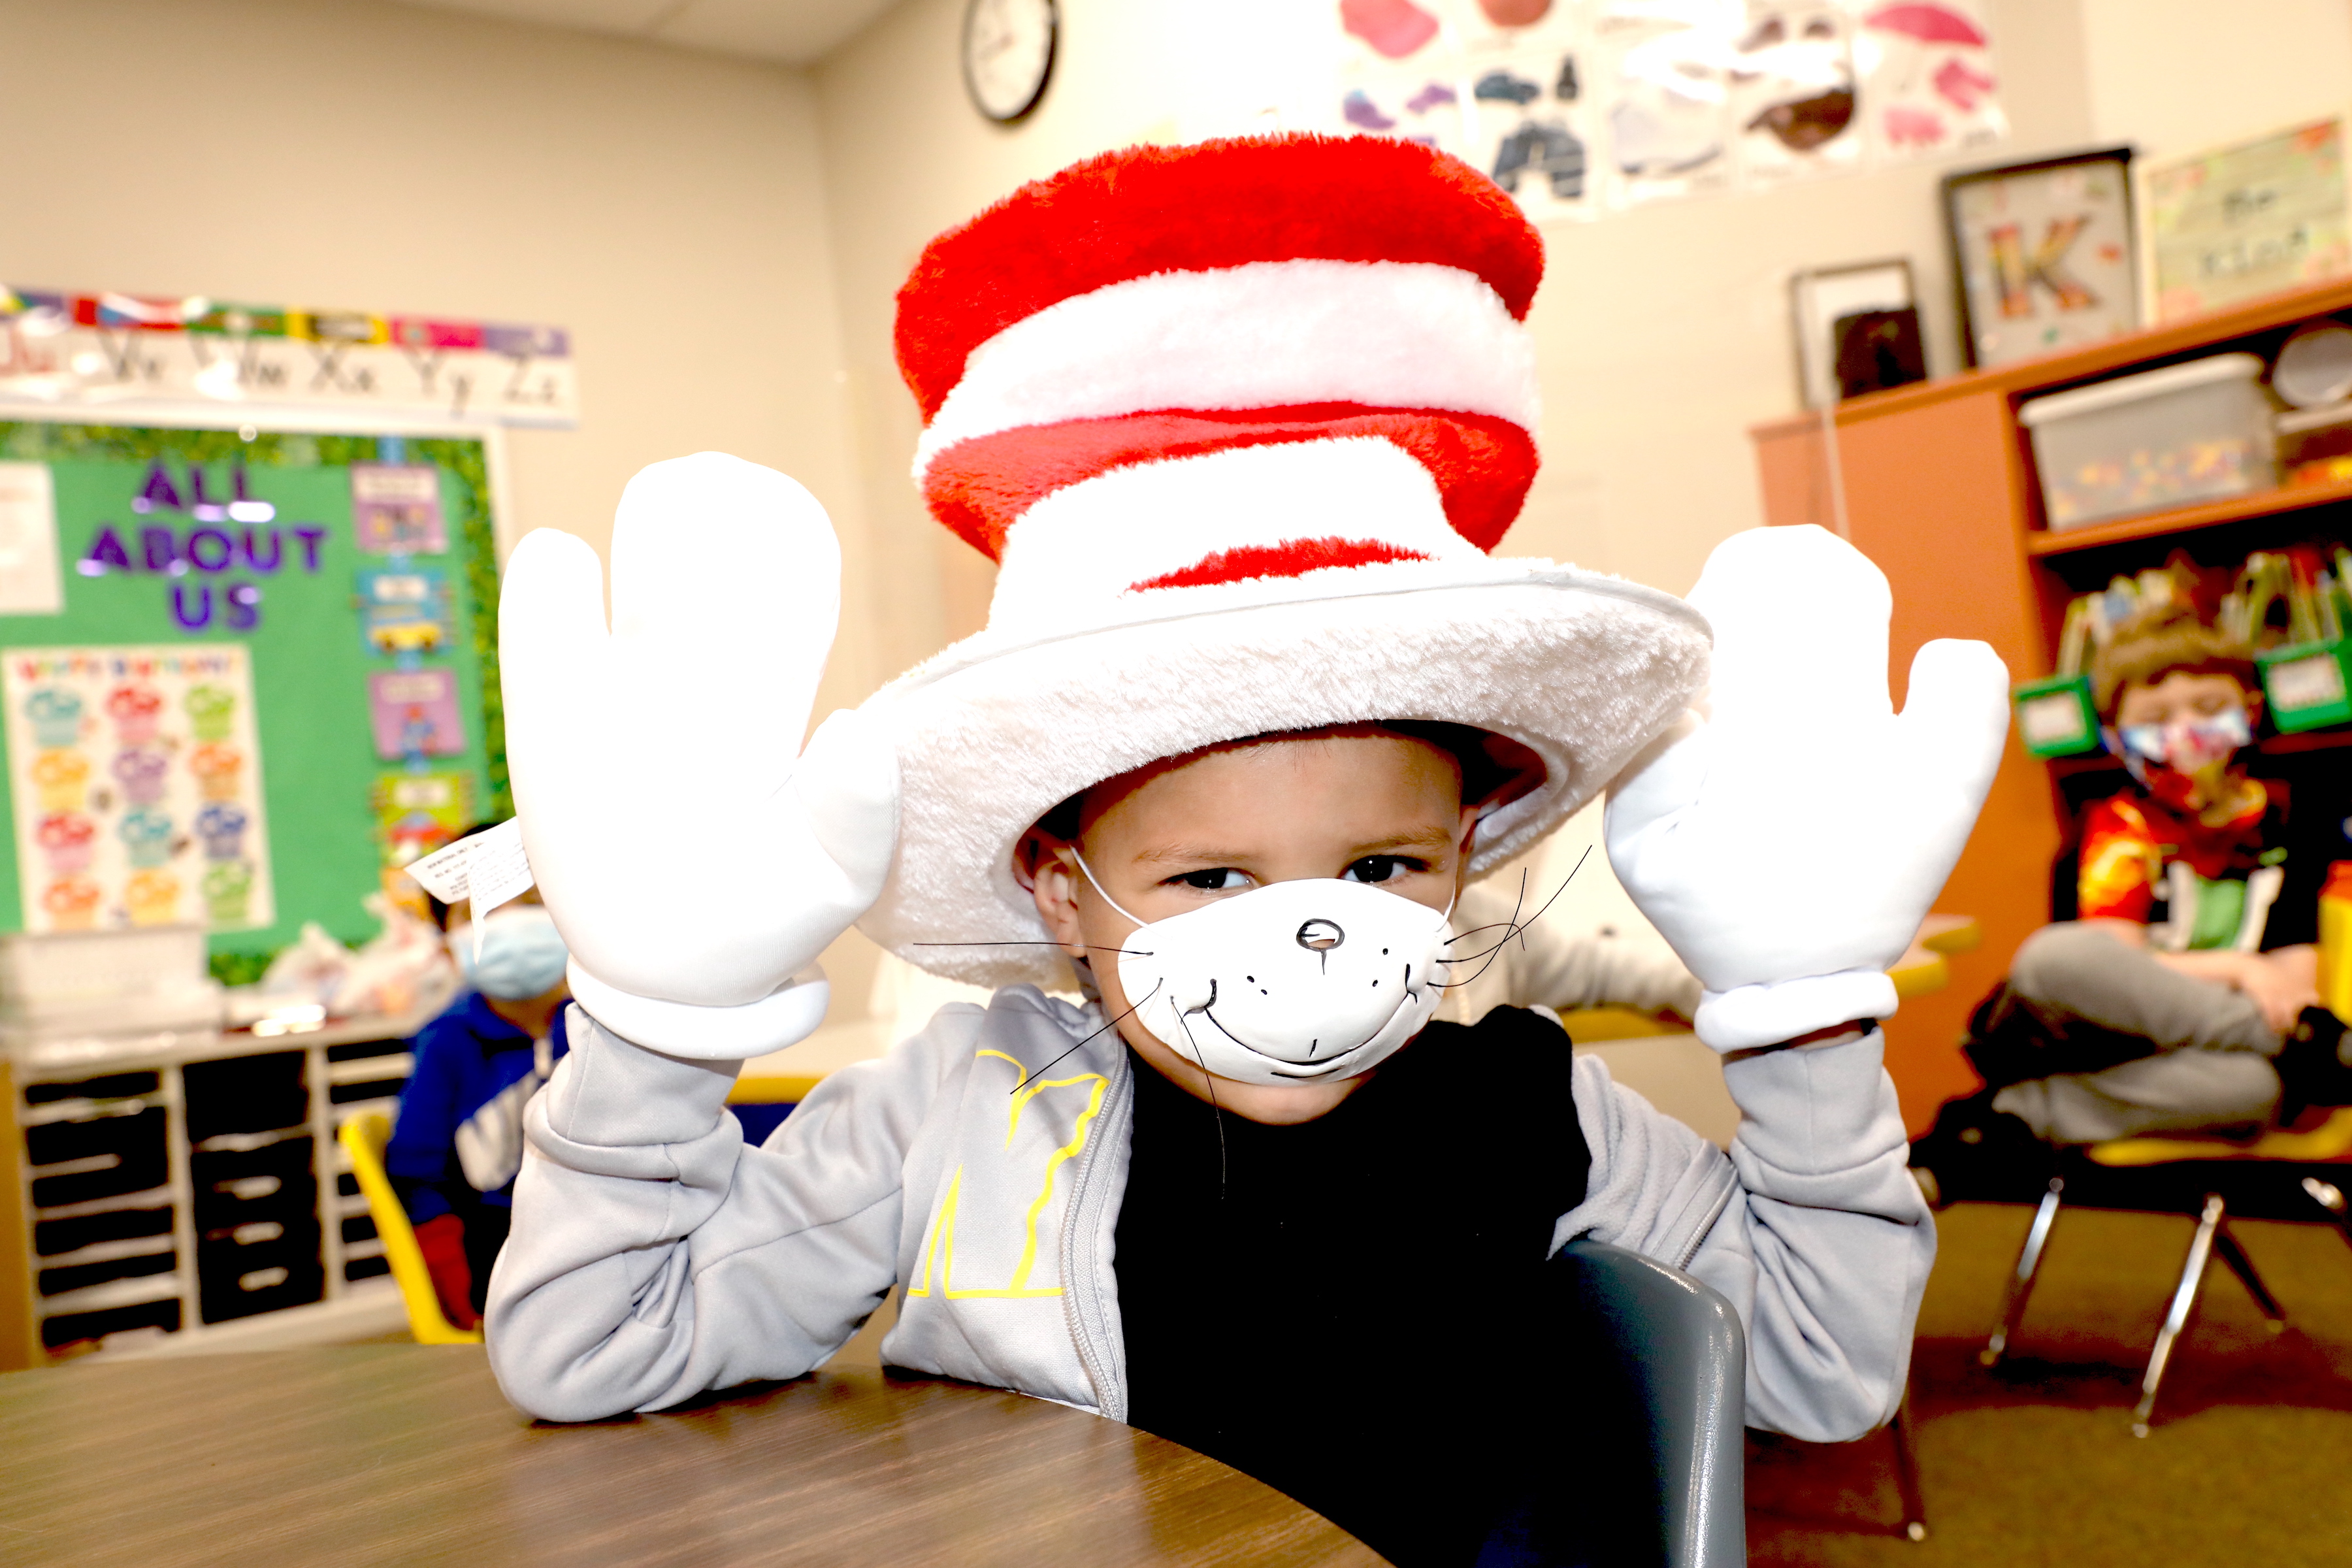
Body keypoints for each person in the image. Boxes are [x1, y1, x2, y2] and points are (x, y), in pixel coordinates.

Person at [483, 136, 2006, 1564]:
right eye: (1208, 877)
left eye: (1379, 868)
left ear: (1466, 849)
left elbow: (1822, 1372)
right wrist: (651, 1027)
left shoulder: (1536, 1106)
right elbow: (591, 1345)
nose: (1313, 935)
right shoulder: (953, 1116)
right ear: (1057, 888)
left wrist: (1806, 1018)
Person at [1914, 602, 2352, 1198]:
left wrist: (2276, 1002)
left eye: (2208, 708)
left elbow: (2292, 982)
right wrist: (2239, 967)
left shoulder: (2292, 827)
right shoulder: (2105, 832)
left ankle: (2009, 1120)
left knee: (2255, 1089)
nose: (2183, 732)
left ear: (2250, 711)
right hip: (2071, 1035)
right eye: (2156, 716)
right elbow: (2104, 976)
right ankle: (2323, 1049)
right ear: (2117, 736)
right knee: (2055, 955)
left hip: (2190, 1057)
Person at [385, 821, 572, 1330]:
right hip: (498, 1246)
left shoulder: (604, 1026)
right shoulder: (448, 1040)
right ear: (446, 943)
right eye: (478, 913)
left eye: (531, 903)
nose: (509, 925)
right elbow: (418, 1173)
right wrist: (455, 1292)